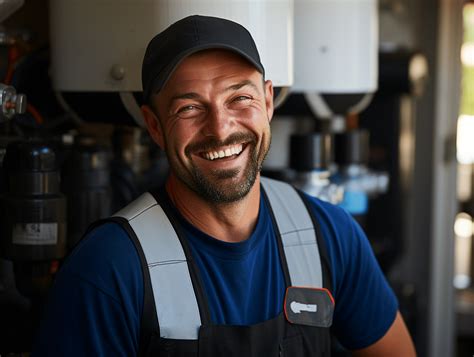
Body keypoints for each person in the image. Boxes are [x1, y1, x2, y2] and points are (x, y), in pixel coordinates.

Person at [33, 15, 416, 356]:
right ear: (153, 126)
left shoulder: (330, 236)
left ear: (267, 100)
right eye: (190, 108)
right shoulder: (107, 269)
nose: (221, 128)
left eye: (240, 98)